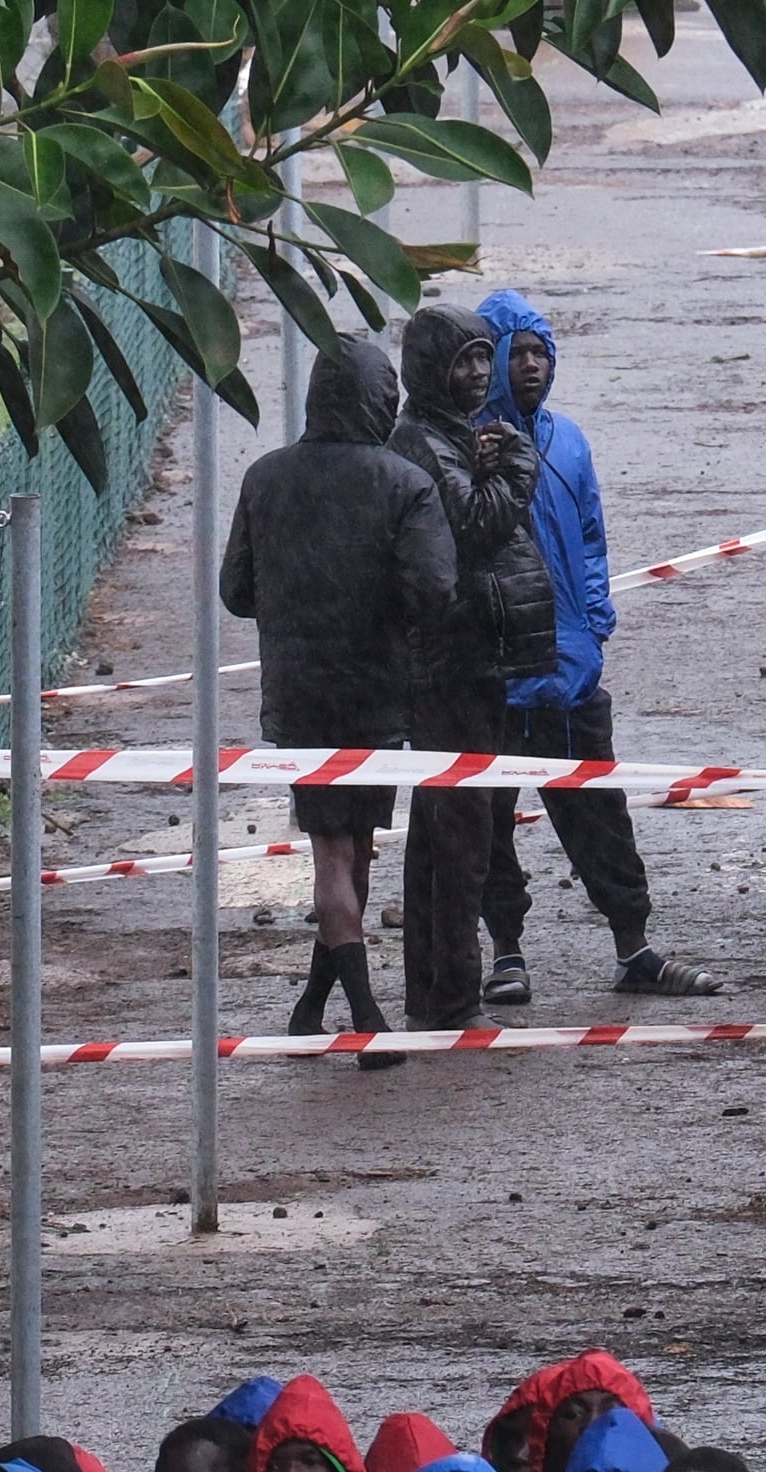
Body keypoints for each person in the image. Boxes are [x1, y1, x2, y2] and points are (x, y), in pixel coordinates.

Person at [473, 290, 720, 1007]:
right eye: (514, 353)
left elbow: (588, 537)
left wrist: (594, 622)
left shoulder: (568, 442)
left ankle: (632, 943)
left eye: (538, 353)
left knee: (598, 809)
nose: (529, 366)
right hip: (496, 677)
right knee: (490, 818)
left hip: (569, 669)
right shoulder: (468, 445)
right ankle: (506, 948)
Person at [220, 339, 452, 1055]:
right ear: (381, 399)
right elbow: (435, 590)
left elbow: (236, 592)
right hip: (380, 693)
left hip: (298, 695)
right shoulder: (405, 482)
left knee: (334, 852)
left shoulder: (265, 478)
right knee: (355, 849)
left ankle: (315, 1005)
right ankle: (365, 1015)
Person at [387, 303, 556, 1036]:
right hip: (451, 666)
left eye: (483, 357)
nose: (480, 372)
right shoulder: (422, 442)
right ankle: (450, 994)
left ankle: (438, 988)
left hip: (478, 661)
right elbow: (472, 527)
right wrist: (514, 479)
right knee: (457, 834)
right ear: (429, 368)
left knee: (453, 828)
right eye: (464, 360)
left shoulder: (452, 436)